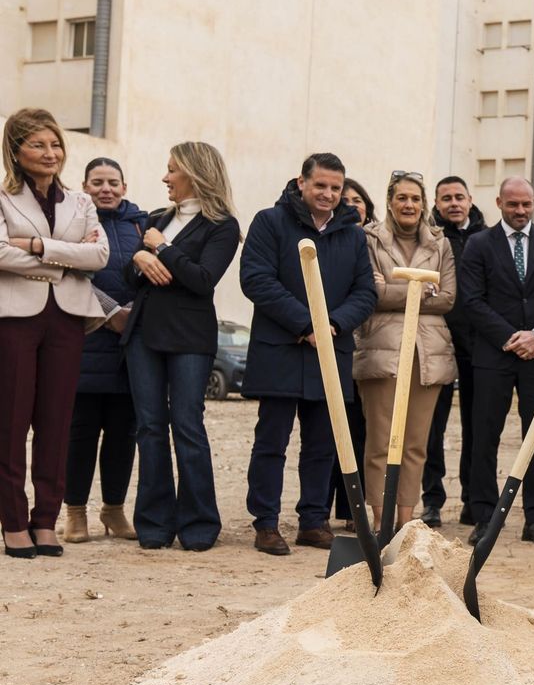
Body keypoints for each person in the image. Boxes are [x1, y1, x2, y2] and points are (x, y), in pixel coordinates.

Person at [240, 153, 376, 556]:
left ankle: (313, 521)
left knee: (322, 444)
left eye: (336, 188)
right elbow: (256, 279)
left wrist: (331, 325)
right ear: (301, 182)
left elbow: (365, 292)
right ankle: (265, 523)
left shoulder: (353, 235)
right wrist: (306, 323)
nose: (328, 194)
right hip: (280, 349)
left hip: (331, 351)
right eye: (321, 185)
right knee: (272, 442)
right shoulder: (270, 222)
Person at [0, 108, 110, 558]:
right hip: (15, 318)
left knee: (56, 422)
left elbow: (100, 255)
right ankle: (12, 521)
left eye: (56, 144)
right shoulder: (3, 198)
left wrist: (38, 246)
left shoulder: (80, 202)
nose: (51, 153)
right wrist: (67, 256)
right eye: (39, 145)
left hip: (67, 318)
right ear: (16, 150)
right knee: (11, 422)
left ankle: (45, 519)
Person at [122, 142, 241, 550]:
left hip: (190, 338)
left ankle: (199, 525)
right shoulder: (157, 218)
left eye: (172, 169)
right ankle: (153, 525)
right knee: (149, 427)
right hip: (143, 335)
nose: (165, 177)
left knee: (187, 427)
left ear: (195, 172)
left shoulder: (223, 226)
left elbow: (204, 279)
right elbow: (129, 275)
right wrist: (138, 260)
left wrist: (163, 249)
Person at [457, 176, 534, 546]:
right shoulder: (478, 245)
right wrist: (511, 337)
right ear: (499, 203)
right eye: (513, 205)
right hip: (494, 355)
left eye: (526, 204)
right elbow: (472, 300)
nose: (520, 211)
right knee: (483, 436)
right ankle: (484, 517)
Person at [354, 171, 455, 532]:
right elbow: (370, 293)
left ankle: (406, 525)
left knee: (415, 444)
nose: (409, 205)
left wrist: (395, 287)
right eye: (402, 198)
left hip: (428, 355)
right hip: (383, 350)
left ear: (423, 203)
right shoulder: (369, 239)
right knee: (381, 441)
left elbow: (447, 298)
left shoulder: (440, 243)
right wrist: (421, 288)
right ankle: (382, 524)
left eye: (415, 198)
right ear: (390, 202)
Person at [63, 157, 145, 543]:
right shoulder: (72, 221)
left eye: (113, 182)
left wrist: (133, 315)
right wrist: (111, 312)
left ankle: (114, 509)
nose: (106, 189)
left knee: (122, 435)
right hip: (85, 340)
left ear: (125, 187)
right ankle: (75, 512)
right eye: (97, 182)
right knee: (80, 434)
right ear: (85, 185)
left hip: (131, 349)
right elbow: (68, 272)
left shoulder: (142, 225)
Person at [420, 175, 486, 527]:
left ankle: (472, 499)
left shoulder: (487, 238)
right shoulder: (427, 238)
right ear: (436, 202)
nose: (454, 203)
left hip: (478, 344)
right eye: (446, 198)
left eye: (459, 196)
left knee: (476, 426)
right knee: (433, 426)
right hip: (438, 340)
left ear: (470, 199)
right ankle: (432, 500)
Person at [329, 179, 375, 530]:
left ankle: (351, 510)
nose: (351, 205)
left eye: (357, 199)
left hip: (372, 348)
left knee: (360, 433)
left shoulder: (375, 239)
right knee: (333, 433)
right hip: (339, 342)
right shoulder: (332, 238)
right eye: (346, 200)